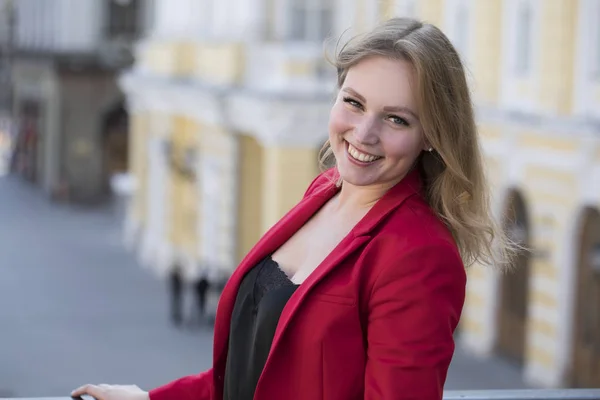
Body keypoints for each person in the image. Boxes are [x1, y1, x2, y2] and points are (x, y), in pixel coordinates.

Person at [71, 17, 512, 400]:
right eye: (353, 102)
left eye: (396, 119)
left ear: (431, 135)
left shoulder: (419, 254)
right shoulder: (324, 191)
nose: (364, 133)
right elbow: (254, 372)